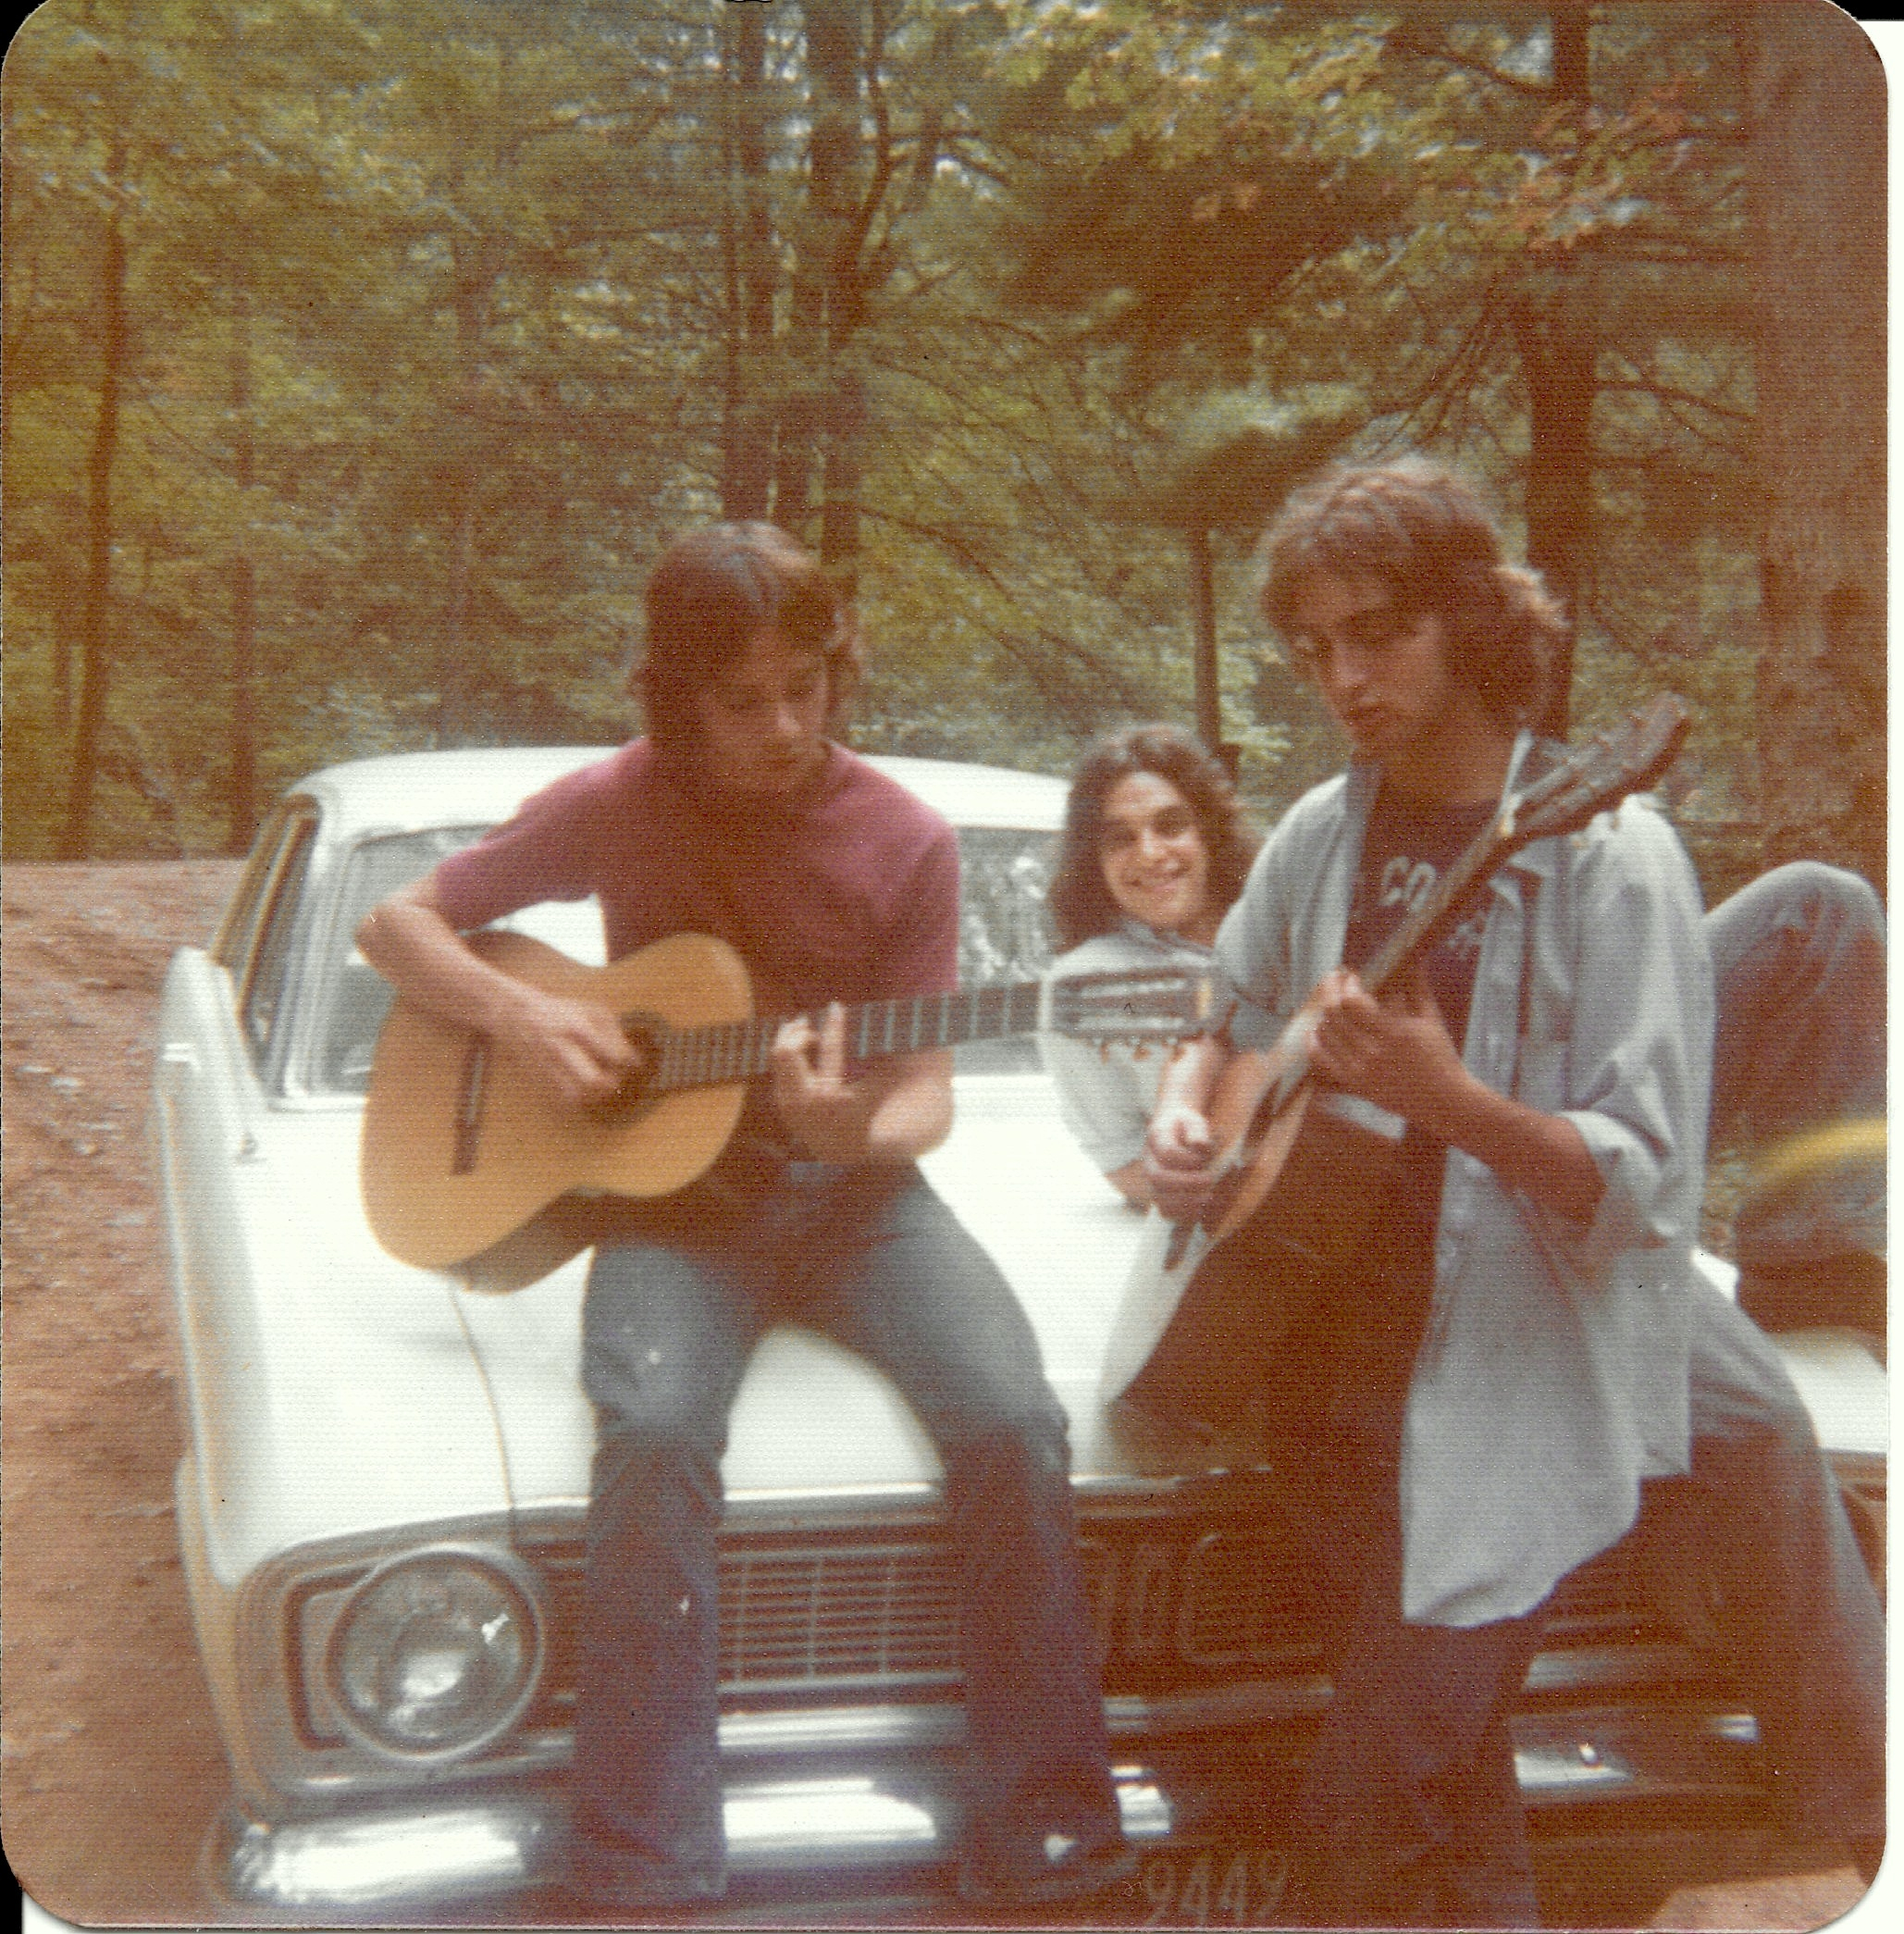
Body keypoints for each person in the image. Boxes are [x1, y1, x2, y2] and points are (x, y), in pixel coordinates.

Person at [1086, 461, 1879, 1923]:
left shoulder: (1605, 854)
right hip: (1322, 1372)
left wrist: (1444, 1099)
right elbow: (1229, 997)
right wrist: (1192, 1106)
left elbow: (1640, 1191)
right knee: (1449, 1819)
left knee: (1369, 1808)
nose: (1342, 675)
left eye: (1376, 632)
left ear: (1467, 621)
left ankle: (1858, 1822)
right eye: (1314, 645)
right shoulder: (1326, 827)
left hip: (1506, 1379)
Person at [356, 523, 1131, 1910]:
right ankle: (643, 1863)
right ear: (673, 699)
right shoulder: (612, 800)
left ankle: (1050, 1832)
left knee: (1014, 1420)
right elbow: (396, 925)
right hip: (673, 1210)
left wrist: (849, 1127)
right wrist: (528, 1015)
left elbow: (922, 1097)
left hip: (857, 1200)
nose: (783, 724)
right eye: (740, 700)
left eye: (806, 684)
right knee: (651, 1429)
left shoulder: (906, 839)